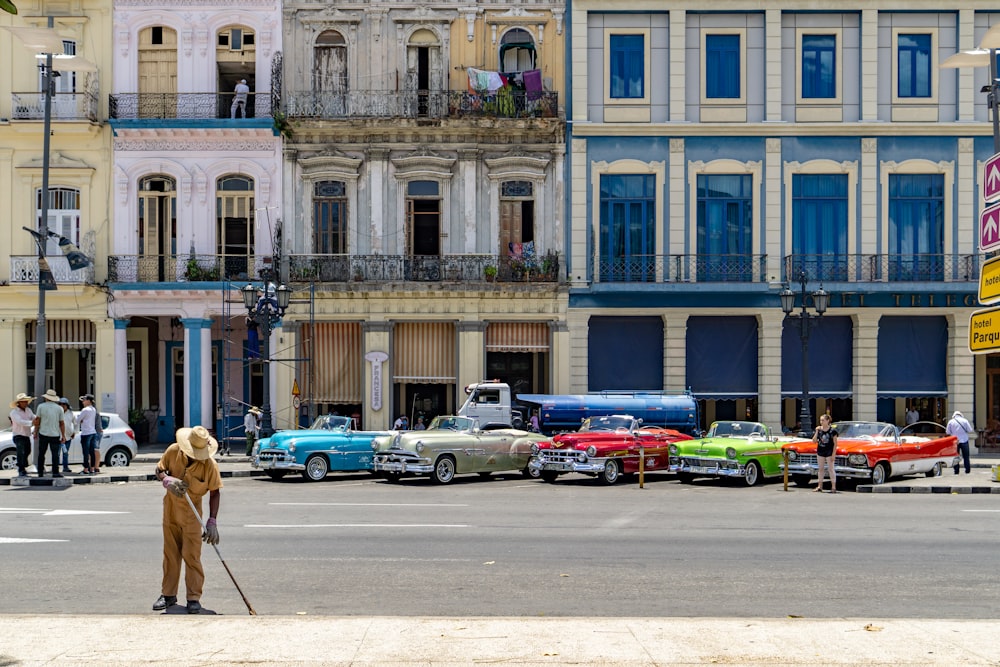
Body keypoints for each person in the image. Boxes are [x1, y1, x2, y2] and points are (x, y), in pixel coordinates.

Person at [153, 425, 224, 615]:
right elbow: (159, 469)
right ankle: (168, 595)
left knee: (192, 556)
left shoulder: (210, 466)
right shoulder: (173, 451)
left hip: (192, 516)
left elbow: (215, 492)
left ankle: (193, 598)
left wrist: (212, 521)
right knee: (170, 554)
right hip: (170, 510)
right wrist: (166, 479)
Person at [33, 389, 66, 478]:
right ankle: (55, 472)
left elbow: (37, 421)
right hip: (55, 434)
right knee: (55, 455)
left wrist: (35, 432)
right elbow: (62, 423)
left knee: (41, 454)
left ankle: (40, 472)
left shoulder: (41, 406)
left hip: (43, 433)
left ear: (46, 398)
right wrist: (63, 435)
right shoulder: (59, 408)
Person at [9, 392, 35, 478]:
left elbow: (33, 417)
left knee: (27, 451)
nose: (25, 403)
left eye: (26, 401)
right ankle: (21, 469)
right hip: (18, 435)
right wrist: (33, 422)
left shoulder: (28, 410)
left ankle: (22, 465)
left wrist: (37, 419)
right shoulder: (14, 412)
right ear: (19, 403)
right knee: (21, 452)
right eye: (23, 401)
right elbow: (20, 422)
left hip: (26, 435)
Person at [813, 413, 838, 493]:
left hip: (829, 451)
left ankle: (833, 487)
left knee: (831, 469)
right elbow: (814, 441)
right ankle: (820, 485)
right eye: (820, 420)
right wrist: (816, 431)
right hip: (820, 450)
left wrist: (834, 454)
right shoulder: (819, 430)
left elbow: (835, 443)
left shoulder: (832, 431)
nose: (821, 422)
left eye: (823, 420)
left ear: (827, 421)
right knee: (820, 469)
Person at [76, 394, 100, 475]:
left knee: (85, 452)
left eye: (84, 400)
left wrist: (81, 420)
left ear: (89, 401)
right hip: (92, 432)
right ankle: (92, 468)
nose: (83, 401)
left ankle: (86, 469)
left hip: (86, 433)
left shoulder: (85, 410)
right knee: (92, 452)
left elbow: (77, 420)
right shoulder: (93, 409)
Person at [947, 410, 974, 475]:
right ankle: (967, 470)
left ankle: (956, 470)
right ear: (961, 415)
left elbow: (948, 432)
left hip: (955, 441)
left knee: (955, 456)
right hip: (964, 440)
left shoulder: (951, 421)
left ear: (954, 416)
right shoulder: (965, 421)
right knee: (966, 456)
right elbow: (970, 430)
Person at [58, 397, 76, 473]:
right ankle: (55, 468)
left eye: (64, 404)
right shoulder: (57, 412)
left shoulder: (71, 413)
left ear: (67, 405)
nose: (62, 406)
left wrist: (74, 432)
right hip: (58, 436)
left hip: (68, 437)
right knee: (57, 453)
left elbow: (76, 423)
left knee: (65, 453)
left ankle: (65, 467)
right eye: (60, 404)